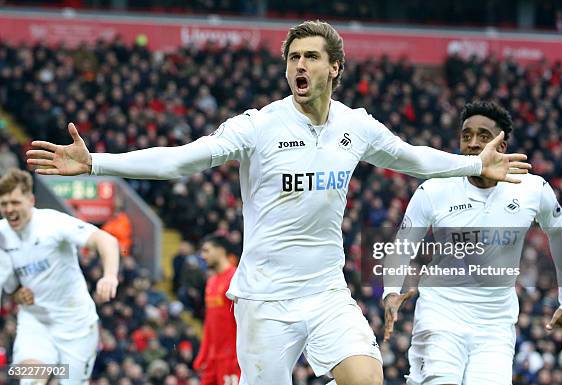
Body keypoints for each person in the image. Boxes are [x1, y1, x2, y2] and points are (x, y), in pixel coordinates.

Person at [26, 21, 530, 385]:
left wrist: (472, 166)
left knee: (367, 379)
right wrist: (96, 164)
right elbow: (182, 160)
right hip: (265, 298)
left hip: (327, 291)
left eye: (311, 57)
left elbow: (412, 158)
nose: (300, 66)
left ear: (335, 67)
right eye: (293, 58)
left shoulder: (356, 126)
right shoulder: (259, 125)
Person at [382, 101, 562, 385]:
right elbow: (403, 245)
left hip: (495, 326)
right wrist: (390, 291)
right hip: (440, 316)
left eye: (484, 136)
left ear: (502, 145)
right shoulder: (435, 189)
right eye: (466, 135)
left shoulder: (532, 189)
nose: (473, 143)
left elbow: (560, 234)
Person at [0, 168, 120, 385]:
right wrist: (18, 294)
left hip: (76, 326)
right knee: (31, 380)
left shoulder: (52, 224)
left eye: (15, 203)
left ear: (30, 200)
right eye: (4, 204)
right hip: (35, 323)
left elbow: (106, 240)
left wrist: (109, 276)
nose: (9, 210)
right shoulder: (1, 236)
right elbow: (10, 283)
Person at [193, 235, 239, 385]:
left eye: (206, 250)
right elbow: (210, 322)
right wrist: (204, 354)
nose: (203, 255)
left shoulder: (236, 278)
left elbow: (245, 321)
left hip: (232, 357)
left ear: (220, 251)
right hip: (214, 358)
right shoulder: (211, 282)